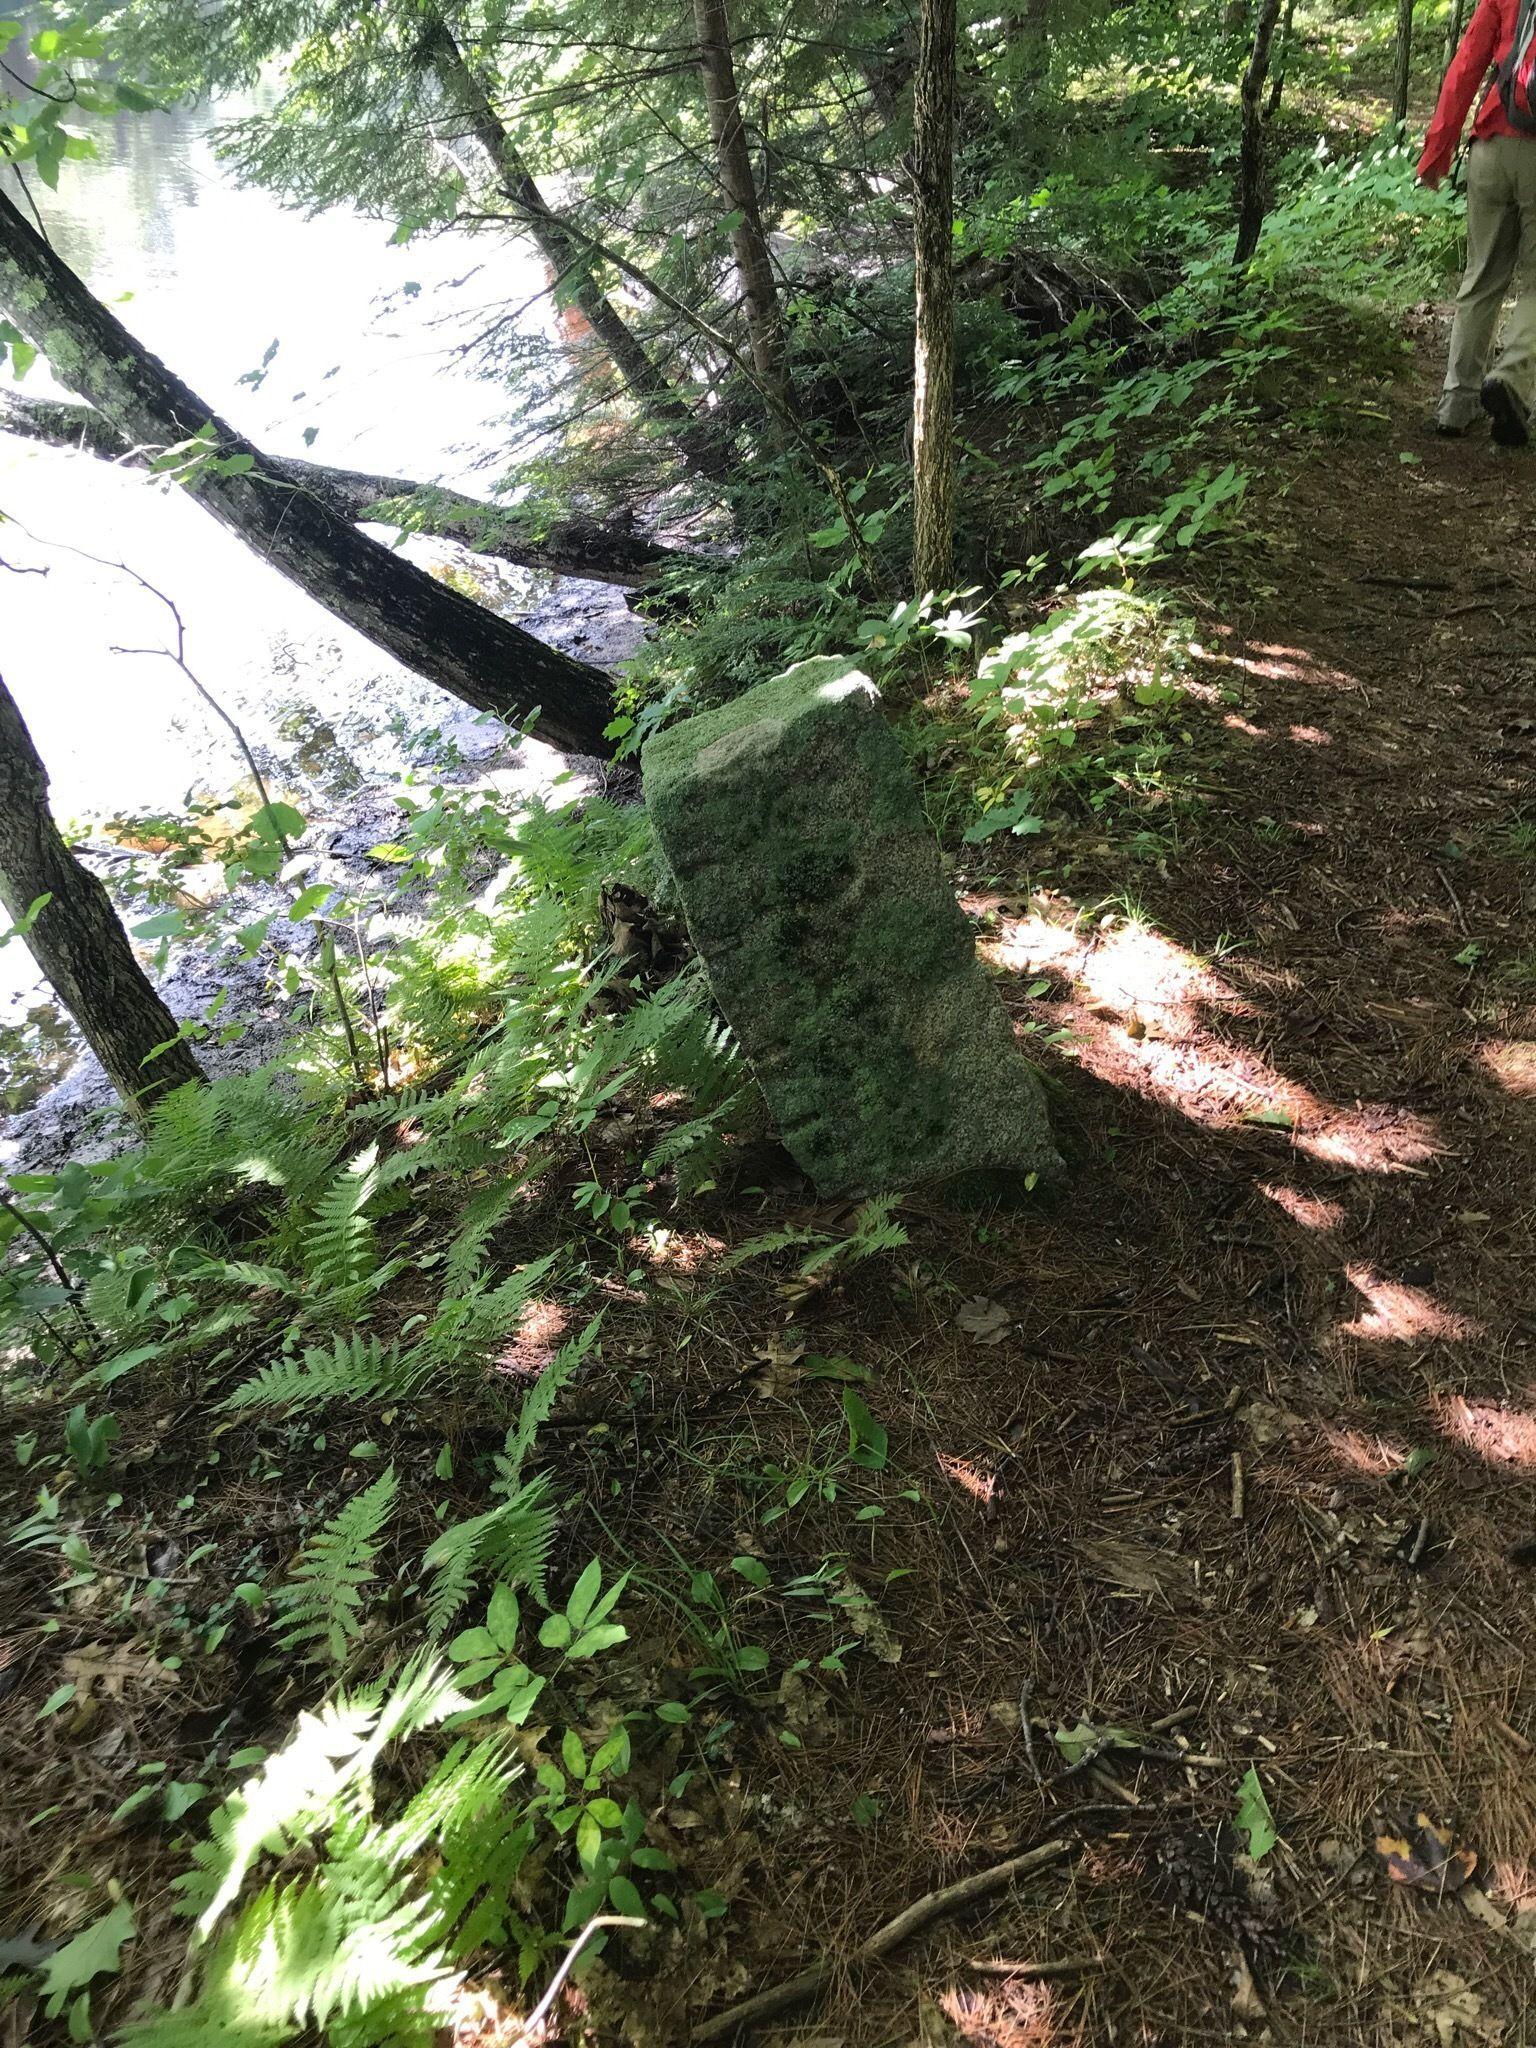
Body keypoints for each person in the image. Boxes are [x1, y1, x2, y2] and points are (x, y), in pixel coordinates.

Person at [1420, 0, 1536, 445]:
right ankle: (1510, 380)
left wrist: (1438, 149)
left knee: (1481, 277)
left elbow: (1466, 64)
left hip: (1490, 146)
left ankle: (1455, 405)